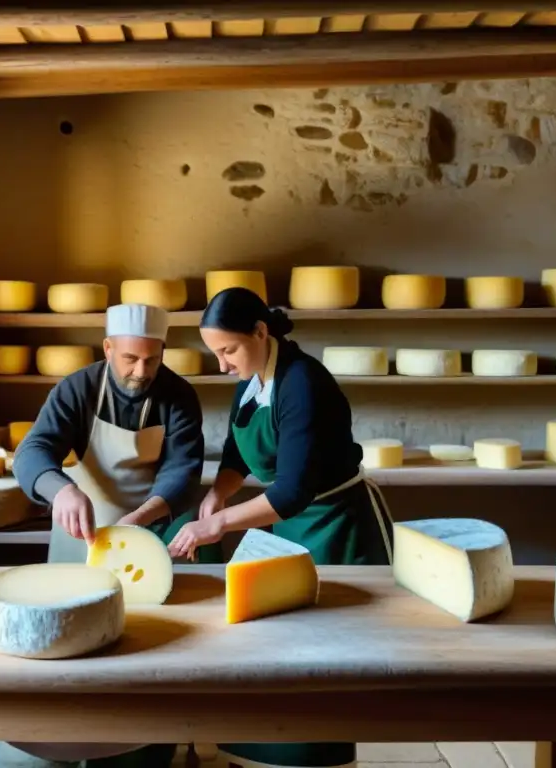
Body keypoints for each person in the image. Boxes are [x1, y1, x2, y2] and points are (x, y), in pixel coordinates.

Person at [168, 286, 394, 768]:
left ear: (260, 331)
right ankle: (257, 750)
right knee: (275, 647)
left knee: (324, 658)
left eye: (228, 351)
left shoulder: (302, 382)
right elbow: (235, 449)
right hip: (289, 525)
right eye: (216, 354)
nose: (223, 364)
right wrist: (220, 491)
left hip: (336, 524)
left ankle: (316, 757)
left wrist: (220, 525)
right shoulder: (251, 380)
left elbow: (292, 492)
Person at [13, 302, 221, 565]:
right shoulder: (77, 389)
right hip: (84, 528)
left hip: (153, 524)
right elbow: (32, 450)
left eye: (152, 360)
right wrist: (61, 491)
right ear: (108, 349)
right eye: (131, 359)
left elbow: (182, 471)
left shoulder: (179, 396)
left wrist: (141, 517)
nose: (141, 372)